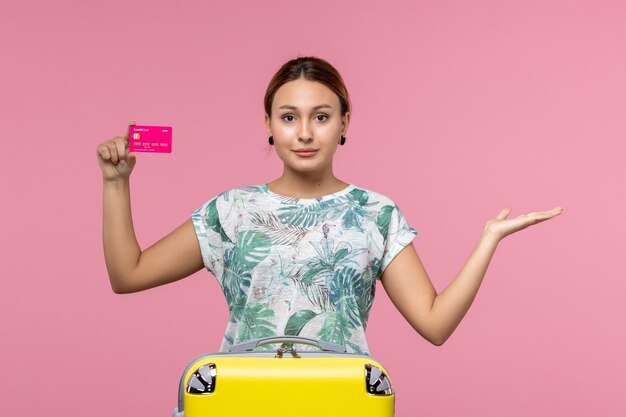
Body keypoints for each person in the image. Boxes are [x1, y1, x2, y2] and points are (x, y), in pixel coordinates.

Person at [96, 56, 564, 355]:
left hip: (342, 402)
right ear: (269, 124)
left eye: (320, 117)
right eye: (289, 117)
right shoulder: (233, 211)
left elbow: (435, 324)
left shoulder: (374, 214)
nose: (304, 133)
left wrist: (488, 240)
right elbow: (128, 274)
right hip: (242, 402)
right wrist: (116, 184)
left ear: (343, 122)